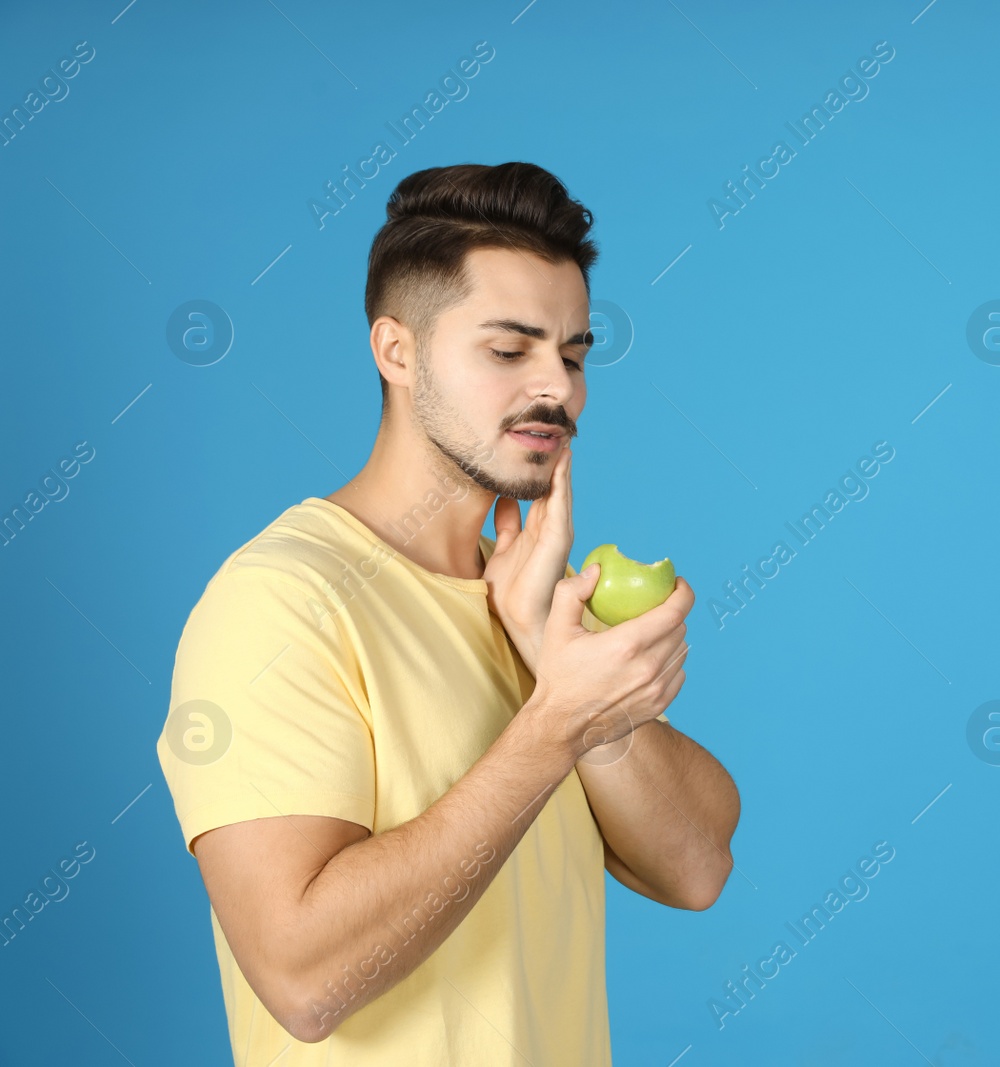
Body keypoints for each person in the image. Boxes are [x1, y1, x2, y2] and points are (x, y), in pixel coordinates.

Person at [155, 161, 740, 1065]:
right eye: (509, 351)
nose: (560, 388)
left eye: (575, 352)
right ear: (397, 352)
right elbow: (306, 980)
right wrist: (558, 722)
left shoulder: (531, 607)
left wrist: (585, 700)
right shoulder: (280, 601)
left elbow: (698, 865)